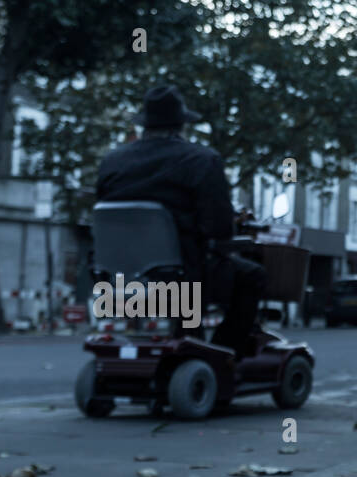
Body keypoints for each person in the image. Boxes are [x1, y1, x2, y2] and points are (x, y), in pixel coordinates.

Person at [96, 85, 266, 358]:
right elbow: (219, 229)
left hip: (119, 277)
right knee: (252, 276)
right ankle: (225, 352)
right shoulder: (201, 160)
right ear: (180, 127)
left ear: (144, 126)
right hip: (183, 275)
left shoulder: (111, 162)